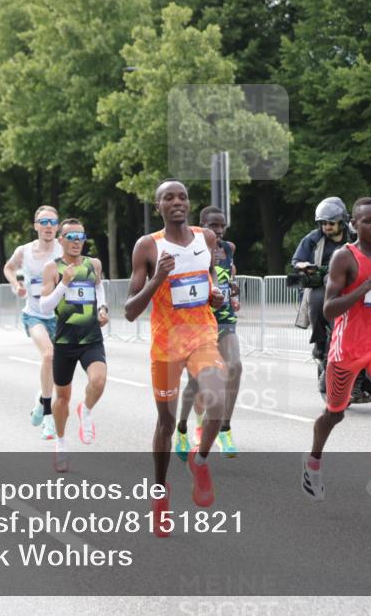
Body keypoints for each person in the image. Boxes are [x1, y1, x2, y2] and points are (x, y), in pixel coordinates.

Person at [124, 180, 227, 537]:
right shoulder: (147, 246)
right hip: (166, 344)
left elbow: (210, 278)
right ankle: (160, 494)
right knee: (166, 424)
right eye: (169, 198)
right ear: (158, 207)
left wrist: (215, 293)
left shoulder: (206, 239)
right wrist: (158, 278)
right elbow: (129, 310)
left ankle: (200, 462)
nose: (177, 202)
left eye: (182, 196)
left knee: (216, 399)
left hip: (202, 335)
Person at [301, 197, 371, 514]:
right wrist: (367, 285)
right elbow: (329, 308)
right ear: (354, 225)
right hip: (346, 349)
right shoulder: (344, 259)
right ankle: (313, 462)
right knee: (335, 413)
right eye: (368, 221)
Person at [37, 218, 108, 473]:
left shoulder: (93, 264)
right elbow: (44, 306)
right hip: (65, 342)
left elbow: (99, 288)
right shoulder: (52, 268)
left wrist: (102, 308)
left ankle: (86, 411)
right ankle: (61, 443)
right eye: (71, 237)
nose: (77, 241)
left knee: (98, 381)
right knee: (61, 399)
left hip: (91, 339)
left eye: (81, 237)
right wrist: (63, 284)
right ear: (61, 240)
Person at [176, 206, 242, 459]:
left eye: (222, 226)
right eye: (213, 226)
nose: (218, 231)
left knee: (235, 366)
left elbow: (228, 278)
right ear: (201, 225)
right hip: (199, 324)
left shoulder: (228, 249)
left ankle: (225, 428)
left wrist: (233, 293)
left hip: (224, 320)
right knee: (197, 382)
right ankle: (182, 428)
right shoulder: (191, 248)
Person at [4, 206, 64, 441]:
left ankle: (41, 401)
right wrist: (15, 284)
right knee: (48, 355)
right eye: (44, 221)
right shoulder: (25, 251)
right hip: (35, 314)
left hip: (60, 316)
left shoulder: (64, 248)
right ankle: (48, 417)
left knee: (59, 369)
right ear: (36, 226)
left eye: (52, 221)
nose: (48, 225)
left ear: (57, 226)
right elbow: (8, 268)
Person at [291, 197, 351, 393]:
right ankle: (321, 349)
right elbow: (297, 260)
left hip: (352, 287)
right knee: (317, 304)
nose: (326, 226)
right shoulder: (313, 239)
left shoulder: (354, 235)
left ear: (342, 221)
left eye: (331, 223)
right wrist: (304, 266)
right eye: (323, 223)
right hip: (321, 286)